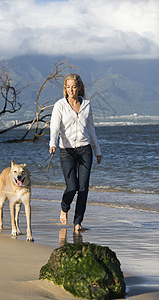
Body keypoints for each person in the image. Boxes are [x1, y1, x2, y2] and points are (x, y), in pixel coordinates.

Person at [49, 74, 102, 232]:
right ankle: (64, 207)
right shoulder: (60, 105)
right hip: (67, 151)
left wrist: (97, 150)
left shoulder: (86, 104)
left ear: (79, 87)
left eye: (74, 87)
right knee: (72, 187)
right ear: (65, 89)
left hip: (85, 149)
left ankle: (77, 222)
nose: (71, 90)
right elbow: (55, 126)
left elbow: (91, 128)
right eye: (68, 87)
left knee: (83, 188)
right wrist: (52, 144)